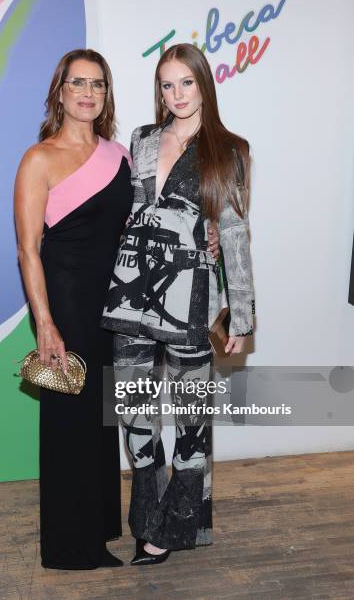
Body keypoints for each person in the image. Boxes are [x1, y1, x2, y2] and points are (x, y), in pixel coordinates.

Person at [100, 43, 255, 566]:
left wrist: (241, 312)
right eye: (166, 85)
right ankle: (148, 519)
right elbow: (136, 207)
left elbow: (233, 232)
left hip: (191, 299)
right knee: (135, 411)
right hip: (132, 291)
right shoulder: (143, 139)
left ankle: (172, 529)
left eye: (185, 82)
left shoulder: (228, 148)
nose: (176, 94)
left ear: (204, 84)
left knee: (191, 419)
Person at [13, 49, 134, 570]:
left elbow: (141, 228)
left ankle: (100, 527)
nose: (89, 93)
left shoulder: (121, 155)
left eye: (99, 85)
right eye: (78, 83)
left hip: (113, 308)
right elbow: (27, 249)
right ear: (59, 91)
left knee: (102, 423)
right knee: (70, 423)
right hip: (65, 305)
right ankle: (69, 546)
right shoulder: (38, 159)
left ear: (106, 95)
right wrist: (45, 324)